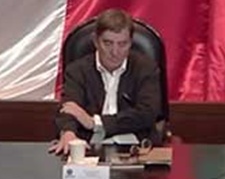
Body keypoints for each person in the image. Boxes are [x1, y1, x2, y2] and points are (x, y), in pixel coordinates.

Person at [50, 9, 163, 156]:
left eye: (122, 44)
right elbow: (69, 108)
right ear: (96, 41)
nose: (115, 52)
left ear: (130, 43)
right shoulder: (77, 70)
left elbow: (147, 113)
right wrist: (68, 133)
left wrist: (95, 123)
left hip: (137, 148)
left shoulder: (146, 69)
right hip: (90, 147)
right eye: (108, 43)